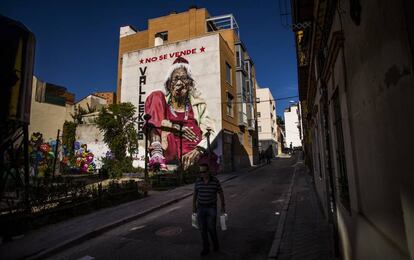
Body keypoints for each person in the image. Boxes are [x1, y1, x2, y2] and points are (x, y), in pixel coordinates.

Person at [144, 56, 216, 171]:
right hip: (169, 148)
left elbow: (211, 133)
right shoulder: (163, 103)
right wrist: (174, 128)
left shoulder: (199, 104)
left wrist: (199, 150)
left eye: (183, 78)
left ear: (190, 84)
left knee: (209, 164)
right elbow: (158, 122)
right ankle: (156, 151)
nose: (179, 83)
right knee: (156, 94)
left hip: (194, 152)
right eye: (175, 78)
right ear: (169, 84)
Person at [193, 164, 225, 256]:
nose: (202, 174)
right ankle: (206, 248)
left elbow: (220, 192)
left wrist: (223, 205)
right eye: (200, 172)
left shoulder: (215, 181)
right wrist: (193, 206)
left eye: (203, 172)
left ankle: (215, 245)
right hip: (201, 208)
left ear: (208, 171)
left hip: (211, 208)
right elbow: (195, 194)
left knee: (211, 228)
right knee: (203, 229)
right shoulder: (198, 181)